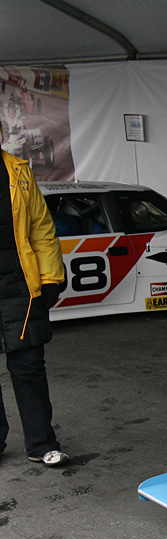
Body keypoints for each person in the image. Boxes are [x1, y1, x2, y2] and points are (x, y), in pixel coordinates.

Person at [0, 124, 69, 466]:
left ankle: (41, 443)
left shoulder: (19, 173)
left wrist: (52, 278)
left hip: (19, 291)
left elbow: (42, 230)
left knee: (28, 367)